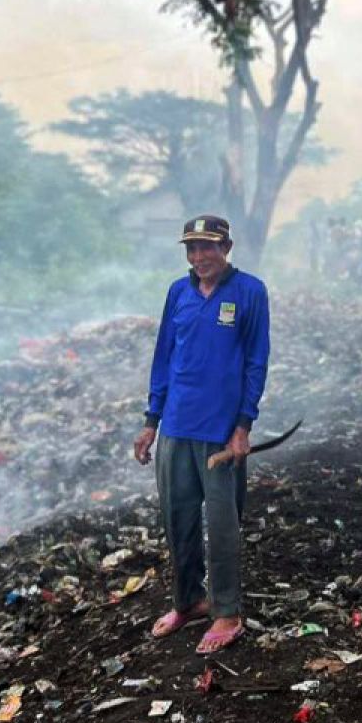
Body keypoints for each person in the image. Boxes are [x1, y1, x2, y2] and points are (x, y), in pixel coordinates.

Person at [132, 215, 271, 655]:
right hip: (175, 426)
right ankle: (189, 600)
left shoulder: (250, 291)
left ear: (226, 247)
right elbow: (163, 357)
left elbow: (256, 361)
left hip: (220, 433)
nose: (198, 257)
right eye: (191, 249)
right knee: (179, 520)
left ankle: (227, 612)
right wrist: (151, 421)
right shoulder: (178, 292)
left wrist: (243, 426)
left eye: (207, 247)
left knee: (223, 524)